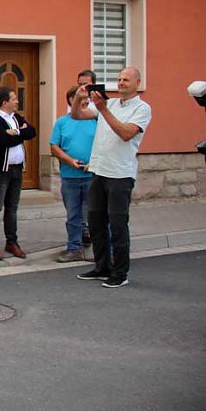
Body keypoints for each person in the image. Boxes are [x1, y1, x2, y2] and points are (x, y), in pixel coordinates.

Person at [72, 67, 152, 288]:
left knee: (117, 226)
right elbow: (77, 115)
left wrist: (103, 109)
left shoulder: (142, 108)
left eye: (126, 79)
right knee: (96, 223)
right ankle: (102, 267)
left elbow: (126, 134)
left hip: (120, 174)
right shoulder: (112, 103)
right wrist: (78, 98)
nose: (121, 83)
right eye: (119, 79)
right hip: (99, 171)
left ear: (137, 83)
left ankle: (120, 273)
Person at [0, 86, 36, 260]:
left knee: (12, 208)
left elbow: (32, 132)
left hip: (17, 168)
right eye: (14, 99)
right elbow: (3, 140)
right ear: (5, 102)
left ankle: (12, 242)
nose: (17, 101)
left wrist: (17, 132)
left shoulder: (15, 117)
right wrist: (18, 133)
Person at [50, 86, 97, 263]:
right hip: (70, 176)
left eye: (87, 99)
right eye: (82, 98)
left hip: (92, 176)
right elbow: (54, 147)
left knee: (94, 215)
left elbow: (103, 145)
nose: (86, 102)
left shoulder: (95, 120)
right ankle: (74, 249)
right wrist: (70, 161)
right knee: (73, 216)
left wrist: (94, 163)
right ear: (71, 100)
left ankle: (97, 250)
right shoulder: (61, 122)